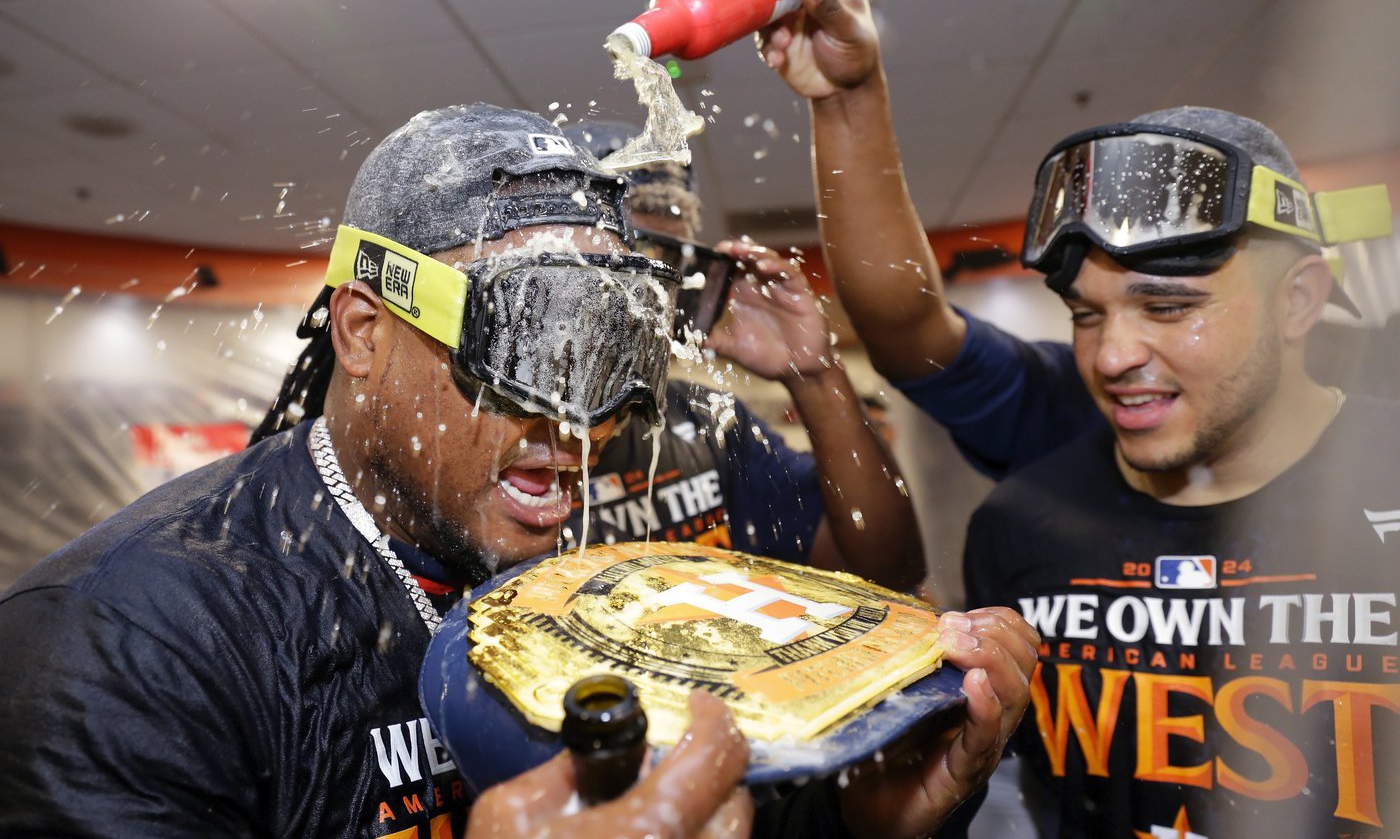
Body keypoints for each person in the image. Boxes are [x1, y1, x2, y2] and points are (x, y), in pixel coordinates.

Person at [0, 102, 1036, 838]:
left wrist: (858, 821)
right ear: (363, 333)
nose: (574, 416)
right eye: (528, 340)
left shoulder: (596, 559)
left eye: (612, 355)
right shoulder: (128, 649)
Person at [752, 0, 1399, 836]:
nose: (1114, 354)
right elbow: (907, 334)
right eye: (1087, 314)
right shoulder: (1025, 522)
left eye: (1167, 306)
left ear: (1299, 302)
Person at [561, 120, 923, 589]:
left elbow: (890, 568)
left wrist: (813, 375)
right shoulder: (490, 431)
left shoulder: (710, 425)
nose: (654, 301)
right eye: (631, 260)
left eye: (674, 271)